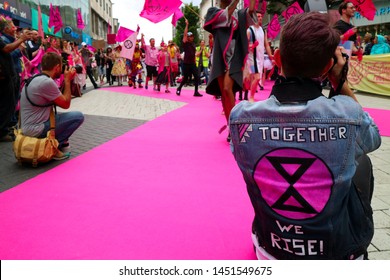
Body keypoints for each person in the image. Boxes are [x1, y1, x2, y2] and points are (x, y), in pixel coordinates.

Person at [229, 12, 381, 260]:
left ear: (277, 58)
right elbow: (373, 138)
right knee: (362, 160)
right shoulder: (346, 113)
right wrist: (339, 81)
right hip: (335, 253)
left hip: (270, 247)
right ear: (327, 66)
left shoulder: (241, 117)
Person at [19, 52, 84, 160]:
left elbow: (58, 100)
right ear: (57, 67)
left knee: (62, 117)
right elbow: (65, 104)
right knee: (78, 117)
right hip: (36, 129)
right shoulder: (46, 82)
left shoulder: (36, 78)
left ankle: (60, 144)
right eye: (62, 67)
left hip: (27, 127)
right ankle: (53, 147)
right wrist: (67, 80)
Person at [204, 0, 257, 125]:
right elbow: (225, 15)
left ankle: (235, 124)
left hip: (235, 57)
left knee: (228, 88)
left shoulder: (238, 14)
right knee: (223, 93)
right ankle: (230, 126)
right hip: (219, 57)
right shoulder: (213, 12)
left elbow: (250, 11)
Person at [0, 17, 31, 141]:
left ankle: (8, 128)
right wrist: (21, 40)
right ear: (6, 28)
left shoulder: (7, 39)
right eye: (12, 25)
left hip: (11, 75)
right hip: (5, 77)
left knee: (11, 104)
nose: (15, 28)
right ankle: (2, 132)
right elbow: (8, 50)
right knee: (6, 105)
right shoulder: (2, 39)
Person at [245, 10, 273, 102]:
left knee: (254, 77)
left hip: (260, 57)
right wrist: (252, 46)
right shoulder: (249, 30)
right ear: (254, 18)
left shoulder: (262, 30)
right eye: (258, 16)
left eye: (261, 16)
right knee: (256, 77)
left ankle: (250, 94)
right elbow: (244, 45)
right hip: (251, 58)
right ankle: (251, 97)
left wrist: (270, 55)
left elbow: (266, 44)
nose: (260, 18)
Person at [175, 19, 202, 97]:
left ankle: (196, 92)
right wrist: (187, 25)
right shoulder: (185, 43)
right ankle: (179, 88)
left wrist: (200, 50)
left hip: (192, 63)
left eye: (192, 36)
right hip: (186, 63)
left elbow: (195, 54)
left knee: (197, 77)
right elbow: (185, 35)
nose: (191, 37)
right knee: (185, 79)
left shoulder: (193, 44)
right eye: (190, 36)